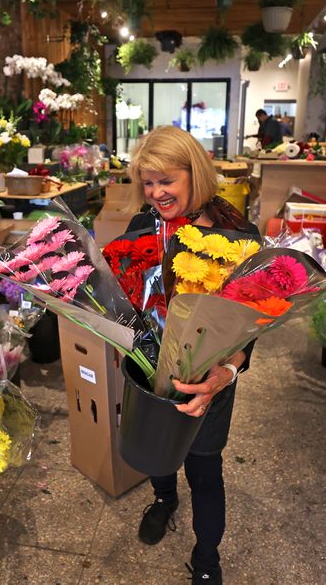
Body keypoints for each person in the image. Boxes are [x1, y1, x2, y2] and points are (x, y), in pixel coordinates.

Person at [124, 126, 261, 584]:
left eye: (167, 180)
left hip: (209, 380)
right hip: (151, 369)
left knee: (204, 466)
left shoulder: (236, 234)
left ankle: (206, 559)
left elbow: (252, 322)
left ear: (194, 174)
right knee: (157, 449)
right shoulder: (141, 227)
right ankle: (164, 499)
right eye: (148, 182)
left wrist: (226, 371)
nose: (156, 192)